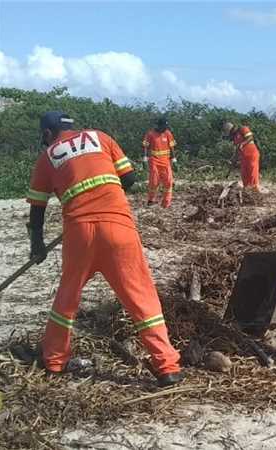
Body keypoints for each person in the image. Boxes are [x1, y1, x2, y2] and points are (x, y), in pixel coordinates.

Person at [27, 111, 183, 386]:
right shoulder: (101, 137)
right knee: (141, 297)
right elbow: (130, 178)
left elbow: (37, 210)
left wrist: (37, 247)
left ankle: (54, 361)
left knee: (67, 298)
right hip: (118, 228)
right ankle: (167, 366)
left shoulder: (47, 156)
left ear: (49, 134)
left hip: (79, 234)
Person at [142, 117, 177, 208]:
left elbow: (172, 147)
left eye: (166, 126)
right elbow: (146, 147)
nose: (165, 128)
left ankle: (166, 203)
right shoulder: (150, 134)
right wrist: (145, 158)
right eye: (163, 126)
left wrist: (174, 159)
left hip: (166, 161)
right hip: (154, 161)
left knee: (168, 182)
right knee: (154, 182)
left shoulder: (168, 133)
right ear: (159, 125)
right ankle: (151, 200)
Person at [222, 121, 260, 189]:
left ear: (232, 129)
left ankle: (254, 189)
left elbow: (250, 137)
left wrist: (243, 144)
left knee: (252, 172)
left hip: (251, 154)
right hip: (243, 157)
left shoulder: (243, 129)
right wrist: (234, 159)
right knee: (244, 174)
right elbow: (237, 150)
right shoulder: (235, 137)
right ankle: (247, 188)